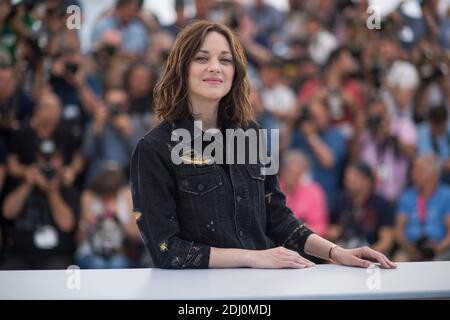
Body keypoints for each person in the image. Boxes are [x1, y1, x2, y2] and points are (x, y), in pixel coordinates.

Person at [130, 21, 396, 270]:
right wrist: (253, 257)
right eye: (202, 58)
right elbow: (167, 250)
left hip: (259, 288)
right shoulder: (154, 148)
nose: (215, 67)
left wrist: (337, 252)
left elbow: (277, 217)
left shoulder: (251, 134)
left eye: (225, 60)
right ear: (181, 68)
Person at [75, 164, 140, 269]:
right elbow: (79, 240)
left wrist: (118, 218)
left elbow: (135, 236)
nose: (107, 197)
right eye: (104, 194)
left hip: (119, 252)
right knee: (97, 264)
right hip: (91, 251)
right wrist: (87, 224)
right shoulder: (88, 196)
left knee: (118, 263)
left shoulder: (127, 195)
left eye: (111, 193)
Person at [328, 161, 395, 256]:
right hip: (343, 251)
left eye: (355, 176)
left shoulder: (382, 204)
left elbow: (386, 241)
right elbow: (330, 229)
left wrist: (367, 254)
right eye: (347, 176)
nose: (349, 179)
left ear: (368, 180)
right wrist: (333, 233)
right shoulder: (339, 201)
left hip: (371, 252)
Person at [395, 155, 450, 261]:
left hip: (439, 247)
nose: (413, 174)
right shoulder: (407, 196)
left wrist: (439, 248)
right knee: (399, 261)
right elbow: (399, 230)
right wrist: (409, 248)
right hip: (411, 247)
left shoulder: (447, 196)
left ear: (432, 174)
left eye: (419, 170)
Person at [279, 150, 328, 237]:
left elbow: (321, 227)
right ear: (282, 171)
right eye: (289, 172)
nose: (293, 177)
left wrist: (302, 230)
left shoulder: (314, 191)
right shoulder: (273, 189)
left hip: (304, 239)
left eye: (298, 173)